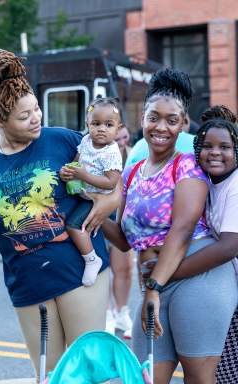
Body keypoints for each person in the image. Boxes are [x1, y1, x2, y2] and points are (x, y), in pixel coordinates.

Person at [0, 50, 120, 379]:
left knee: (88, 372)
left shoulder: (62, 140)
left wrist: (111, 200)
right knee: (50, 374)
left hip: (79, 272)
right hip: (27, 283)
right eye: (24, 116)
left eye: (35, 109)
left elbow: (114, 166)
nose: (35, 118)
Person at [103, 68, 237, 383]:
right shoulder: (132, 172)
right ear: (142, 118)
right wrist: (82, 213)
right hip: (156, 280)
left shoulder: (188, 165)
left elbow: (181, 230)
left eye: (171, 120)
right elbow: (123, 240)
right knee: (143, 377)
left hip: (198, 276)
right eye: (154, 117)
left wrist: (154, 286)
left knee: (199, 379)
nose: (161, 127)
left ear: (183, 125)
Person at [164, 107, 238, 384]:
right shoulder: (205, 183)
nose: (215, 152)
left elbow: (229, 246)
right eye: (207, 146)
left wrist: (171, 272)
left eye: (225, 147)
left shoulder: (235, 185)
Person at [61, 97, 122, 287]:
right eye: (96, 123)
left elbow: (111, 183)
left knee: (74, 226)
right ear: (87, 124)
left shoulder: (111, 153)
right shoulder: (86, 140)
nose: (101, 128)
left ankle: (92, 259)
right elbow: (77, 160)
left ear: (118, 128)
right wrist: (69, 171)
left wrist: (84, 175)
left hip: (96, 198)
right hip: (82, 192)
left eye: (108, 124)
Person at [106, 123, 134, 338]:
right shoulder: (98, 155)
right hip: (101, 219)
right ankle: (107, 314)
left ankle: (122, 312)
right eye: (117, 138)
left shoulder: (133, 157)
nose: (121, 142)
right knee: (103, 270)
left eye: (124, 138)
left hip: (123, 221)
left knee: (123, 269)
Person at [125, 113, 196, 166]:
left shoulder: (137, 148)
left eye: (171, 121)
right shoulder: (197, 144)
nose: (161, 128)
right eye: (153, 119)